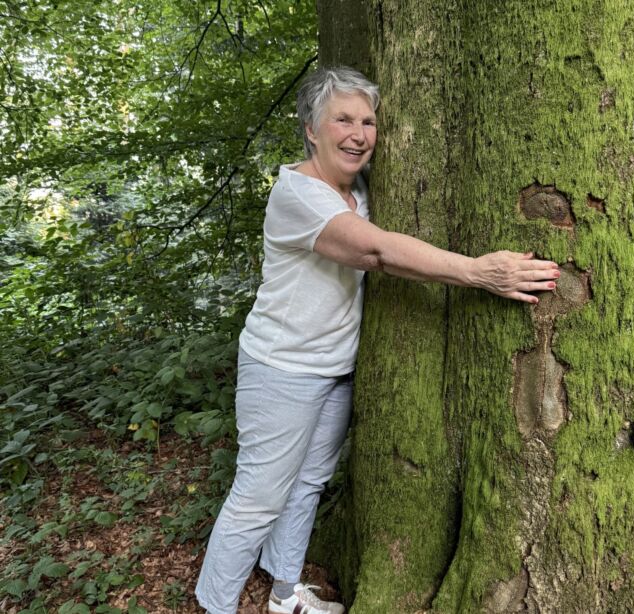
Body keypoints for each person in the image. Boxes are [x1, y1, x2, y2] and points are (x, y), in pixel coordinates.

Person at [195, 66, 560, 614]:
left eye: (368, 121)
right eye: (342, 119)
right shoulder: (298, 193)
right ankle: (214, 606)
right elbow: (377, 252)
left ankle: (285, 594)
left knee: (309, 484)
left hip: (336, 368)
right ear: (310, 128)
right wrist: (480, 273)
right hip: (282, 369)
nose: (359, 133)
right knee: (257, 499)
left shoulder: (359, 189)